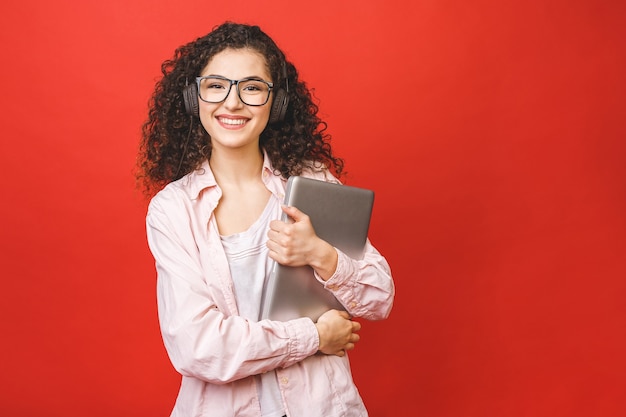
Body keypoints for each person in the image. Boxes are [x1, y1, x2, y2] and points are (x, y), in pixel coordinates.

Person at [136, 22, 395, 417]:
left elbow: (380, 298)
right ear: (194, 97)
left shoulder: (312, 182)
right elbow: (198, 348)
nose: (233, 102)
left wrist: (321, 254)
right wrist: (314, 336)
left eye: (252, 87)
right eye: (216, 85)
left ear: (276, 103)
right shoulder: (173, 209)